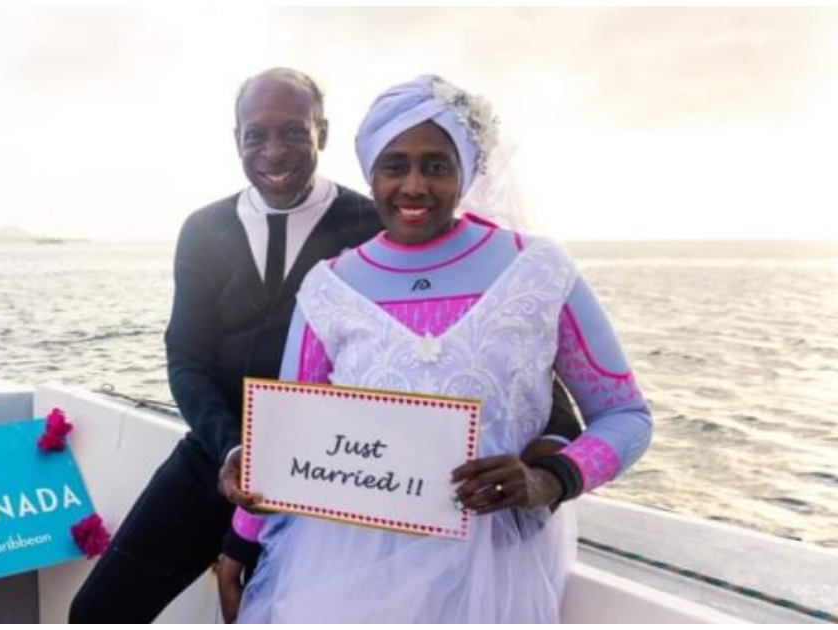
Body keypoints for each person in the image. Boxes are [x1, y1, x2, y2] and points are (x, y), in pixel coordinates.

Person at [69, 67, 582, 623]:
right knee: (98, 611)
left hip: (329, 482)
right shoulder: (205, 228)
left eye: (293, 131)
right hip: (217, 456)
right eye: (255, 135)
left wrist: (553, 442)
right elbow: (186, 358)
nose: (273, 150)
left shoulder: (378, 220)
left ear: (324, 133)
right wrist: (231, 450)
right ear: (235, 138)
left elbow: (486, 337)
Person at [225, 75, 654, 623]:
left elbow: (625, 415)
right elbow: (290, 444)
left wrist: (549, 479)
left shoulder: (539, 270)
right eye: (394, 166)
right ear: (371, 174)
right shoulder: (328, 287)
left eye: (435, 165)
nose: (414, 186)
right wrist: (240, 542)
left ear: (465, 172)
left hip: (495, 572)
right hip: (343, 569)